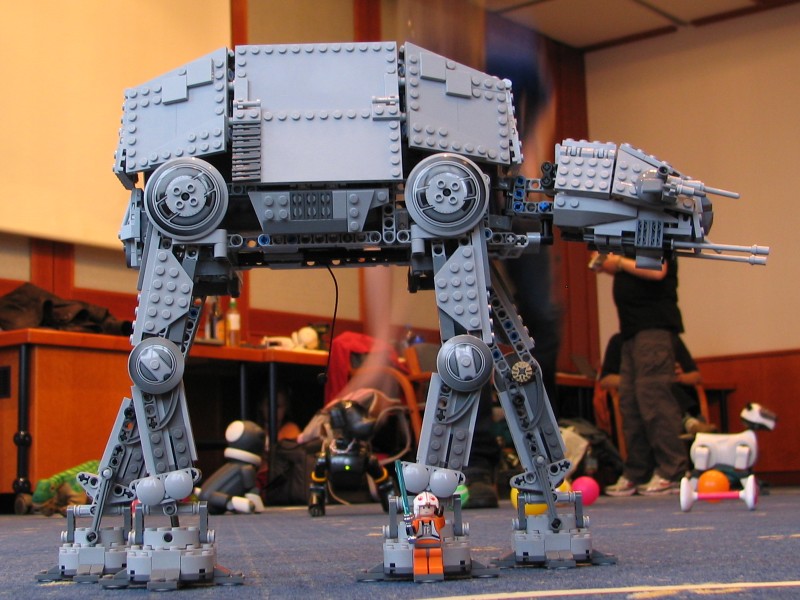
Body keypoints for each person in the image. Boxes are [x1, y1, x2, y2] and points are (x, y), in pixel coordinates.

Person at [591, 251, 690, 496]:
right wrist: (607, 260)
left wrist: (618, 262)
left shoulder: (652, 234)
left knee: (654, 400)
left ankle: (673, 471)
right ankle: (637, 472)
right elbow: (604, 266)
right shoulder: (625, 244)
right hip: (631, 332)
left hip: (654, 328)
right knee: (630, 403)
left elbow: (657, 269)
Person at [599, 333, 717, 438]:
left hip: (674, 392)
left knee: (662, 386)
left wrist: (680, 377)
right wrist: (639, 379)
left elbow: (696, 376)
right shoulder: (620, 340)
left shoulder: (670, 337)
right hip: (639, 398)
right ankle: (690, 423)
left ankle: (688, 423)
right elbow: (605, 380)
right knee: (652, 386)